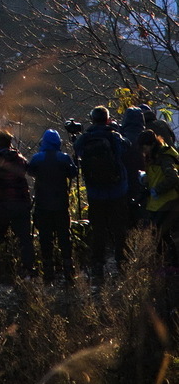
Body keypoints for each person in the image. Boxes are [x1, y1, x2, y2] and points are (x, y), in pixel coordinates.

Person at [74, 106, 131, 275]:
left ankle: (97, 263)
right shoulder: (113, 136)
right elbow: (126, 146)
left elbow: (76, 152)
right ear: (107, 119)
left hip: (95, 191)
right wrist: (116, 129)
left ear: (92, 120)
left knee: (98, 228)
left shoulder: (85, 138)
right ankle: (122, 260)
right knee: (119, 226)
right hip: (117, 189)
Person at [27, 130, 77, 281]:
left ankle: (48, 269)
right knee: (64, 236)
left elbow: (30, 171)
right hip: (61, 204)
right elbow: (73, 172)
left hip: (42, 204)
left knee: (45, 237)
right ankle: (68, 267)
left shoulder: (37, 158)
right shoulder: (63, 158)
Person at [0, 131, 35, 274]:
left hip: (4, 203)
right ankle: (29, 269)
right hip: (22, 202)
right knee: (24, 238)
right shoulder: (18, 157)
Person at [139, 128, 179, 264]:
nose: (143, 151)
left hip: (168, 202)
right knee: (162, 235)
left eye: (144, 148)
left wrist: (157, 189)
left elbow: (173, 177)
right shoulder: (155, 156)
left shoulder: (164, 157)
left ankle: (170, 265)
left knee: (158, 235)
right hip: (159, 203)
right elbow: (158, 175)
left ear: (150, 145)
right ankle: (167, 265)